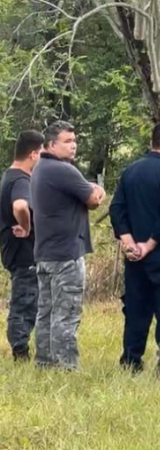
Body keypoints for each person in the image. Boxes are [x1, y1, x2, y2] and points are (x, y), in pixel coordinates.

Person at [109, 123, 160, 375]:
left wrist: (129, 242)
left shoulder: (130, 171)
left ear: (152, 142)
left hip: (134, 257)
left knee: (136, 309)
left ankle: (131, 362)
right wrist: (150, 244)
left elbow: (116, 209)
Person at [31, 120, 105, 370]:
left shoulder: (40, 168)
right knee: (66, 314)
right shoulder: (64, 170)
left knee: (46, 312)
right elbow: (93, 199)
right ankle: (65, 368)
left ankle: (44, 362)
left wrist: (89, 190)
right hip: (66, 255)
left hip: (45, 253)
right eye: (67, 141)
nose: (73, 146)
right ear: (51, 144)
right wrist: (97, 190)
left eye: (75, 141)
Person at [0, 131, 43, 361]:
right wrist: (26, 227)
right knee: (24, 302)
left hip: (13, 250)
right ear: (33, 154)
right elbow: (19, 206)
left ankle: (20, 346)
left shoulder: (9, 175)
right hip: (23, 252)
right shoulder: (20, 179)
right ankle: (20, 351)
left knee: (26, 299)